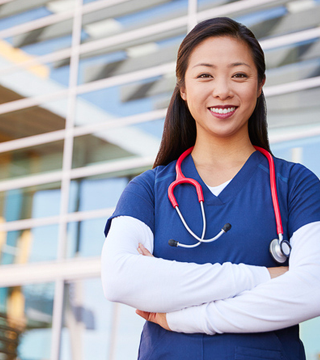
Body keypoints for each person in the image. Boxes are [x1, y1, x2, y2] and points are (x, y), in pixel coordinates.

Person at [101, 17, 320, 360]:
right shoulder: (149, 189)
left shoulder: (296, 185)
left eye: (239, 75)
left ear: (260, 84)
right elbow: (119, 279)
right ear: (183, 89)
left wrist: (186, 318)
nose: (222, 90)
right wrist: (265, 276)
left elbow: (313, 288)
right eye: (205, 75)